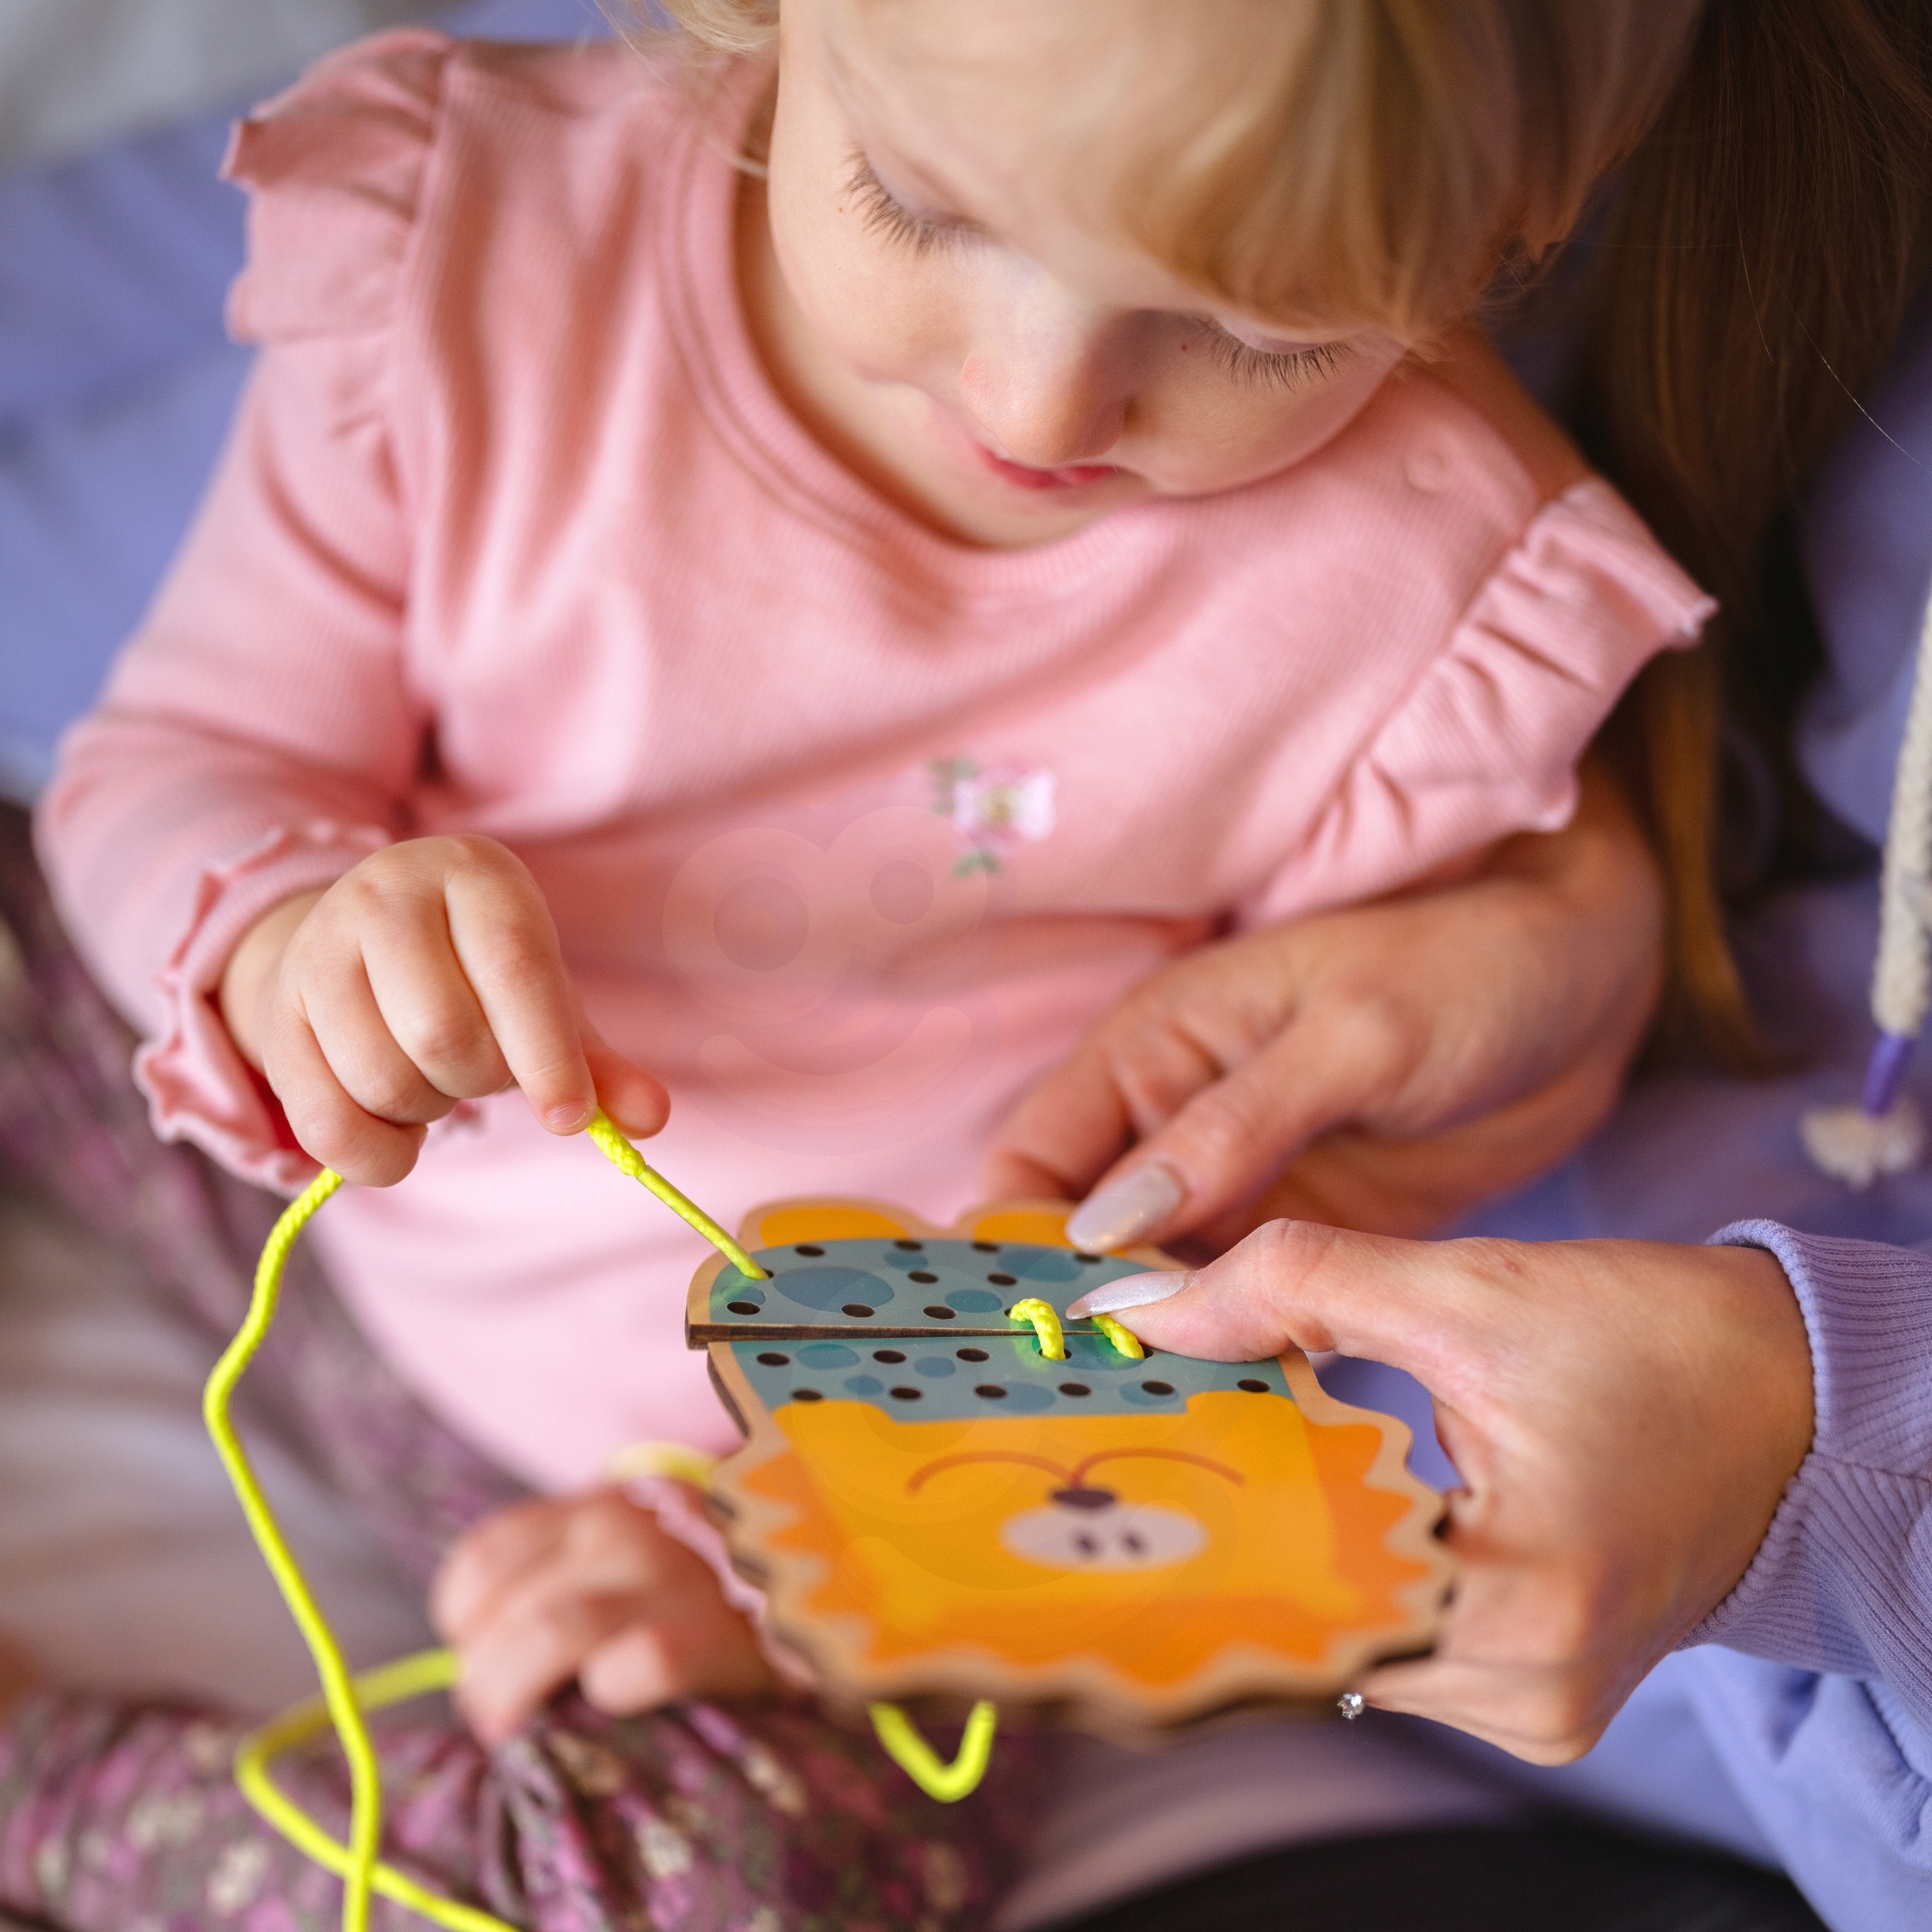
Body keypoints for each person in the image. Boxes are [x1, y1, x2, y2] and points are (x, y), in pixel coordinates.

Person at [3, 6, 1926, 1932]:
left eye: (1258, 330)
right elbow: (184, 756)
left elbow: (1212, 1272)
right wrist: (282, 932)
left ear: (1516, 228)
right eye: (920, 203)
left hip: (763, 1491)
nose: (1041, 399)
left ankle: (47, 1782)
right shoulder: (481, 252)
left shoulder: (1429, 599)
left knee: (724, 1888)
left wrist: (785, 1546)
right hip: (282, 1160)